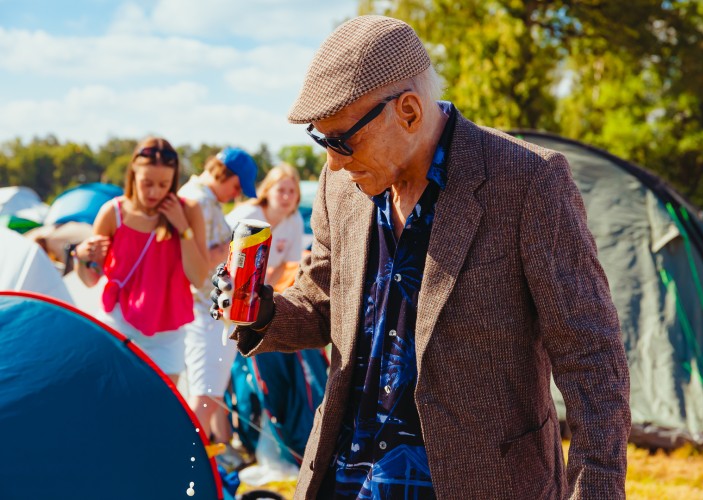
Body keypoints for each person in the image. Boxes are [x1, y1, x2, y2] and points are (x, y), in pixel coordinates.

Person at [211, 15, 630, 499]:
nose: (332, 162)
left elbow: (591, 357)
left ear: (408, 111)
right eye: (320, 140)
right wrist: (263, 312)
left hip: (480, 483)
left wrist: (596, 490)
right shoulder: (339, 186)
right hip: (345, 479)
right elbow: (325, 297)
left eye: (342, 140)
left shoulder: (529, 181)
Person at [76, 136, 208, 384]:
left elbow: (199, 278)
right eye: (147, 182)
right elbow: (90, 280)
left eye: (164, 184)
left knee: (161, 410)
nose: (155, 192)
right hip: (118, 322)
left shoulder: (189, 210)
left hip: (167, 331)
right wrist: (81, 258)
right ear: (133, 174)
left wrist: (182, 227)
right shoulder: (112, 212)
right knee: (110, 399)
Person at [177, 147, 258, 446]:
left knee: (211, 391)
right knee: (206, 395)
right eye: (236, 187)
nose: (236, 195)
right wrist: (235, 247)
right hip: (203, 309)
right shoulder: (198, 200)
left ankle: (207, 460)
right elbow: (195, 262)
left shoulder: (204, 198)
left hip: (210, 309)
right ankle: (186, 464)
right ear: (224, 173)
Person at [226, 163, 304, 290]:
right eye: (281, 190)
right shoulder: (247, 214)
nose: (286, 197)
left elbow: (283, 265)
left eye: (292, 191)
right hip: (224, 281)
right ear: (267, 191)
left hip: (252, 287)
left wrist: (261, 292)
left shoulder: (295, 220)